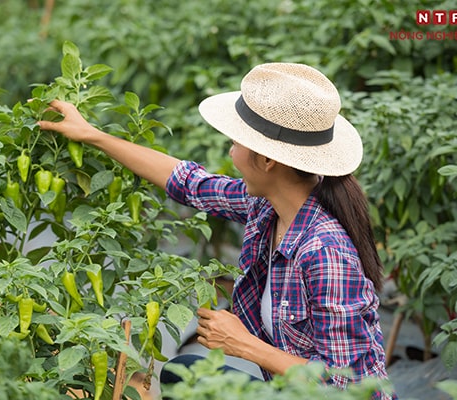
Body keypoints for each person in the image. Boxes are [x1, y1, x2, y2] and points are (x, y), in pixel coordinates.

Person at [38, 63, 396, 399]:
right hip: (291, 391)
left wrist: (245, 344)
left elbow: (345, 386)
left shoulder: (325, 252)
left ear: (267, 160)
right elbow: (189, 183)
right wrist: (92, 134)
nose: (231, 151)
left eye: (237, 142)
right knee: (184, 372)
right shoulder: (269, 207)